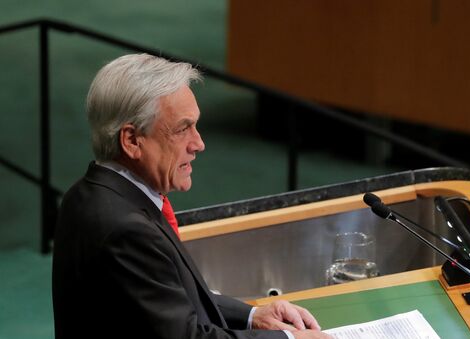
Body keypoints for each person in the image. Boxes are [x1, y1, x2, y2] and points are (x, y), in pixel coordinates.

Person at [52, 53, 332, 339]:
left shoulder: (87, 193)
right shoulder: (126, 231)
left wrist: (252, 317)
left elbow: (170, 297)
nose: (198, 144)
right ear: (132, 141)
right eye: (182, 129)